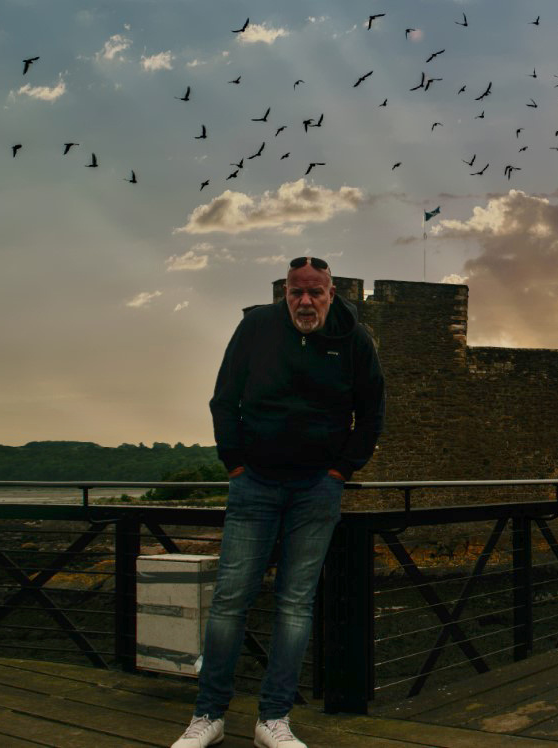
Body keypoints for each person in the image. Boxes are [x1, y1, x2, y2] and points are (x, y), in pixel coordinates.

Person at [173, 256, 385, 748]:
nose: (305, 301)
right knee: (229, 600)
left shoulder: (354, 340)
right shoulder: (255, 328)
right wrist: (234, 464)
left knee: (294, 604)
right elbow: (224, 398)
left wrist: (341, 471)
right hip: (255, 484)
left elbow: (372, 411)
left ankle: (274, 718)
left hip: (317, 487)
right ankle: (208, 715)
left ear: (332, 293)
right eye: (296, 292)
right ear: (283, 294)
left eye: (315, 292)